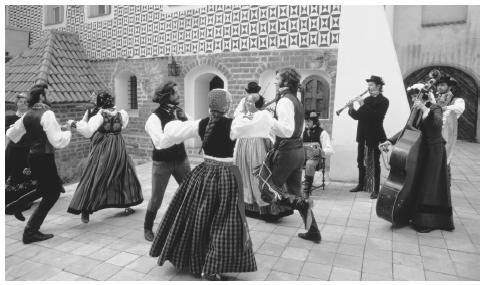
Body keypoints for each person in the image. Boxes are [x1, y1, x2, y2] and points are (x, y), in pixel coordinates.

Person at [149, 89, 256, 281]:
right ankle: (212, 266)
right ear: (228, 106)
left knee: (199, 216)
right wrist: (251, 108)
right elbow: (255, 123)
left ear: (209, 106)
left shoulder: (200, 123)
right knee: (224, 220)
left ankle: (197, 257)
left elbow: (172, 132)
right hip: (225, 176)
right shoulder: (233, 125)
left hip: (204, 174)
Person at [253, 67, 320, 243]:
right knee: (295, 193)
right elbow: (297, 128)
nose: (275, 80)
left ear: (285, 82)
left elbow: (287, 130)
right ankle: (313, 230)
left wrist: (266, 119)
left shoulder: (284, 101)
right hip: (297, 151)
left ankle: (298, 205)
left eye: (278, 78)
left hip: (287, 151)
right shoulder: (294, 100)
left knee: (267, 189)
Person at [379, 87, 453, 233]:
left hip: (434, 150)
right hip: (420, 150)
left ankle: (428, 221)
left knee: (430, 184)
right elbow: (407, 129)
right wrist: (389, 141)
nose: (414, 100)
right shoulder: (415, 110)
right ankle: (413, 214)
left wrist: (425, 109)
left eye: (416, 97)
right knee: (418, 181)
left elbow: (437, 125)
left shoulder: (435, 107)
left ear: (424, 97)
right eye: (413, 97)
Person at [6, 83, 71, 244]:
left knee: (45, 188)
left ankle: (17, 205)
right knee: (52, 193)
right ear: (41, 96)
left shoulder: (27, 114)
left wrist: (35, 134)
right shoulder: (47, 113)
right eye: (47, 94)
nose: (49, 97)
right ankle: (30, 231)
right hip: (44, 158)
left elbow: (11, 134)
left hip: (33, 157)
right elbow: (57, 141)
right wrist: (68, 131)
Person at [66, 91, 143, 223]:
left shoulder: (99, 116)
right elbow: (123, 126)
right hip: (119, 145)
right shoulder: (121, 113)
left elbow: (88, 131)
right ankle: (126, 203)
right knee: (123, 172)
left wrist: (73, 123)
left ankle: (85, 208)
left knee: (96, 174)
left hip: (104, 147)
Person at [234, 82, 293, 221]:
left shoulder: (245, 101)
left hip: (244, 142)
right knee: (261, 173)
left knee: (249, 173)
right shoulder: (258, 104)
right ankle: (267, 208)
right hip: (256, 142)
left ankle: (254, 205)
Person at [143, 81, 191, 241]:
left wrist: (186, 123)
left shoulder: (179, 112)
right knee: (157, 197)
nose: (178, 95)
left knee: (191, 191)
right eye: (175, 93)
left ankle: (191, 223)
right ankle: (147, 228)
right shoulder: (154, 118)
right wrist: (178, 131)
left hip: (181, 159)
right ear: (167, 96)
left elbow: (191, 128)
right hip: (162, 162)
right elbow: (159, 142)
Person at [348, 75, 389, 199]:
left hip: (375, 135)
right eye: (368, 85)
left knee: (375, 163)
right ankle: (361, 184)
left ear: (378, 86)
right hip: (362, 135)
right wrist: (351, 108)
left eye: (371, 85)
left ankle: (376, 189)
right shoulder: (366, 100)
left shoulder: (384, 101)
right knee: (360, 160)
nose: (369, 88)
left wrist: (362, 104)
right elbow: (358, 116)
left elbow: (376, 117)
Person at [5, 93, 35, 221]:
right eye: (20, 101)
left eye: (25, 102)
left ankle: (24, 198)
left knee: (25, 173)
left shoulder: (30, 117)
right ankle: (10, 200)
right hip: (13, 150)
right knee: (12, 173)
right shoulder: (10, 117)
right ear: (16, 103)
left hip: (26, 151)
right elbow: (7, 133)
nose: (23, 104)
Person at [433, 75, 465, 184]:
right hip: (433, 133)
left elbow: (459, 108)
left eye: (442, 85)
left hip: (447, 134)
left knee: (445, 160)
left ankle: (446, 186)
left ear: (449, 87)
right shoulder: (435, 99)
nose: (439, 87)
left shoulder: (457, 100)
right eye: (438, 85)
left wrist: (445, 107)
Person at [302, 111, 334, 198]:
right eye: (306, 121)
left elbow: (330, 150)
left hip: (316, 160)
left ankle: (306, 190)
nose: (306, 123)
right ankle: (293, 187)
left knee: (309, 163)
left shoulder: (323, 133)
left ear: (314, 121)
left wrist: (321, 151)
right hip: (303, 157)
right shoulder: (304, 132)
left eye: (309, 121)